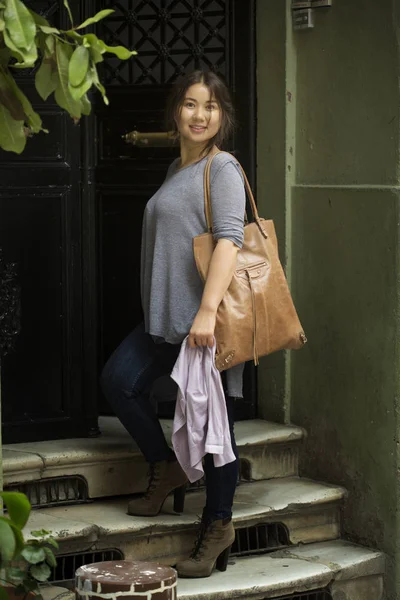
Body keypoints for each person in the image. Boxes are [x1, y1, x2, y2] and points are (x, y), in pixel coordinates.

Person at [100, 70, 246, 578]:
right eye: (189, 104)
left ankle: (218, 525)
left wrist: (206, 312)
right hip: (163, 320)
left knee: (214, 428)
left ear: (222, 118)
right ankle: (164, 470)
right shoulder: (175, 167)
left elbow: (229, 240)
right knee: (119, 383)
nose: (199, 115)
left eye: (210, 107)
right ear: (176, 113)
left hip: (201, 326)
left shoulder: (222, 167)